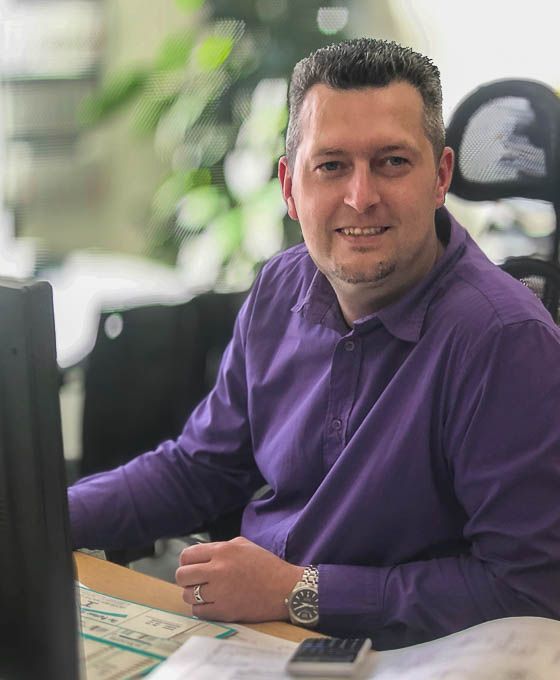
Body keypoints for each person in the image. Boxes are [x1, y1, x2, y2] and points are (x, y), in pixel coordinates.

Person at [68, 38, 560, 649]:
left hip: (401, 655)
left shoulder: (505, 341)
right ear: (289, 186)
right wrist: (36, 517)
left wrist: (299, 590)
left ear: (439, 177)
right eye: (331, 165)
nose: (361, 197)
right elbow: (201, 468)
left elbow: (531, 588)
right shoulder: (280, 287)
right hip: (250, 632)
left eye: (392, 162)